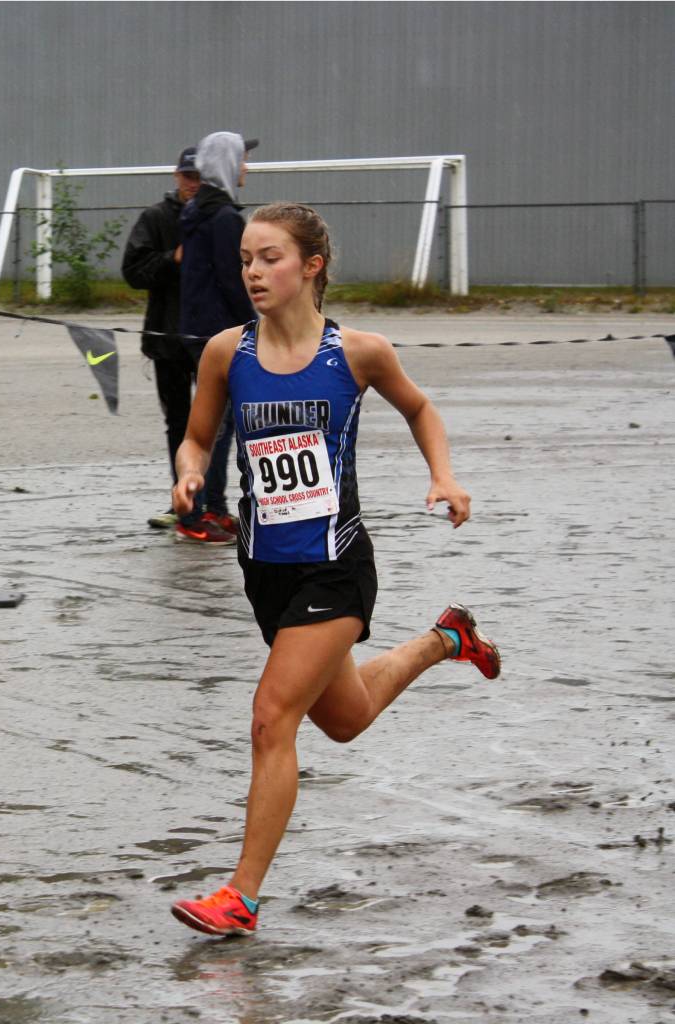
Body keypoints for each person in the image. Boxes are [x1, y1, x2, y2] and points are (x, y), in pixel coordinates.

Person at [169, 202, 501, 936]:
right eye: (247, 259)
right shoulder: (227, 352)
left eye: (269, 258)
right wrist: (188, 473)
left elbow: (420, 409)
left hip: (335, 566)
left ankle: (241, 897)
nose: (252, 272)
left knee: (270, 718)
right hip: (263, 569)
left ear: (310, 266)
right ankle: (445, 639)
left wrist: (443, 477)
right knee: (344, 719)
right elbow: (196, 439)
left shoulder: (358, 352)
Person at [175, 131, 258, 543]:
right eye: (241, 159)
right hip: (217, 334)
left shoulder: (195, 212)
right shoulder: (224, 218)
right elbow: (233, 281)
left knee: (218, 425)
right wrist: (256, 328)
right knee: (217, 427)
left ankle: (216, 507)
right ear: (227, 163)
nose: (246, 167)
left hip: (197, 329)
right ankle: (196, 515)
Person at [121, 146, 200, 530]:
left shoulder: (221, 218)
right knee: (179, 422)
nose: (193, 183)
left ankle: (213, 501)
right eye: (188, 176)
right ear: (176, 176)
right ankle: (181, 498)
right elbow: (132, 271)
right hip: (167, 338)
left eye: (200, 177)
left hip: (211, 340)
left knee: (221, 422)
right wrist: (174, 259)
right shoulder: (154, 218)